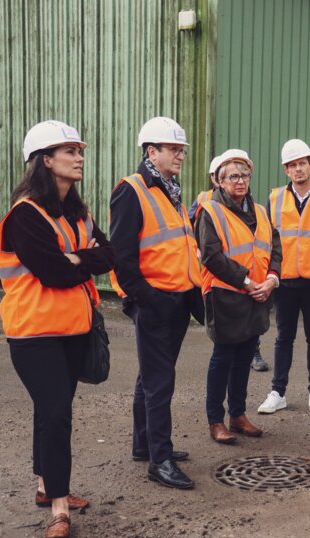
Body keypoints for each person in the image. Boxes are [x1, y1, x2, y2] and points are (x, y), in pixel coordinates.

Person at [0, 120, 114, 538]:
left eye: (79, 150)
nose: (79, 157)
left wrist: (76, 258)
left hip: (72, 328)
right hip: (33, 332)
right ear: (45, 160)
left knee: (50, 410)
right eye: (69, 151)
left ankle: (47, 487)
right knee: (57, 414)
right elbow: (51, 273)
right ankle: (60, 510)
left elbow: (109, 254)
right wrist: (83, 260)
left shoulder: (78, 213)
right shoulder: (24, 216)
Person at [109, 116, 203, 489]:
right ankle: (159, 460)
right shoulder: (132, 190)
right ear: (152, 151)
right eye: (174, 149)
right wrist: (148, 300)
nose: (181, 154)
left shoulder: (170, 188)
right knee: (159, 381)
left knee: (150, 377)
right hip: (156, 303)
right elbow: (122, 256)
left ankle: (143, 444)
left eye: (181, 149)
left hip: (176, 299)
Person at [196, 151, 282, 443]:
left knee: (245, 354)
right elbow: (211, 255)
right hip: (225, 295)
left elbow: (275, 249)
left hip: (257, 295)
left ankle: (238, 414)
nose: (240, 181)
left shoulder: (259, 211)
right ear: (219, 181)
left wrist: (271, 280)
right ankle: (215, 420)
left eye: (244, 175)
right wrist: (247, 282)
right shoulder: (210, 211)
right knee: (223, 357)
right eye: (233, 176)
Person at [258, 139, 310, 414]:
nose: (298, 169)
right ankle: (278, 392)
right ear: (286, 170)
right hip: (285, 281)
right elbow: (267, 240)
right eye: (292, 165)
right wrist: (271, 274)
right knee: (282, 337)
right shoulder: (275, 197)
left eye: (302, 163)